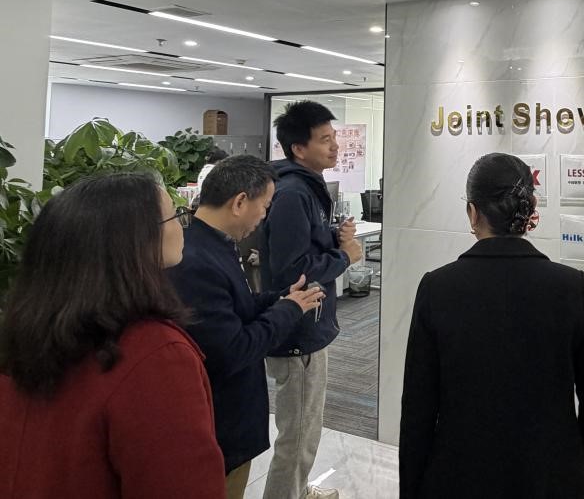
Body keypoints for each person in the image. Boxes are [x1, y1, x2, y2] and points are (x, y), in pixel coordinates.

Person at [399, 152, 584, 499]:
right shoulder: (571, 287)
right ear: (530, 210)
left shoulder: (437, 288)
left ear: (473, 212)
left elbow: (418, 409)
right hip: (551, 479)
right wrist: (574, 469)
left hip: (459, 479)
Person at [0, 172, 225, 498]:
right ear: (136, 243)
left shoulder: (25, 337)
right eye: (175, 216)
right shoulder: (155, 357)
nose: (182, 224)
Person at [168, 155, 326, 499]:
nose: (265, 216)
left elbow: (235, 307)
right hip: (220, 426)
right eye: (264, 206)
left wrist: (279, 297)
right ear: (240, 202)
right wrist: (288, 310)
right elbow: (234, 349)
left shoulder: (212, 242)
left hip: (229, 421)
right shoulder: (195, 261)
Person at [261, 101, 363, 499]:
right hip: (297, 329)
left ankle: (299, 490)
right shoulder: (292, 193)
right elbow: (292, 271)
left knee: (305, 428)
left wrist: (334, 238)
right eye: (324, 139)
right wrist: (344, 256)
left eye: (334, 137)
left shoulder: (306, 187)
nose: (335, 146)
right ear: (298, 149)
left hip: (308, 323)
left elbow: (303, 247)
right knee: (298, 434)